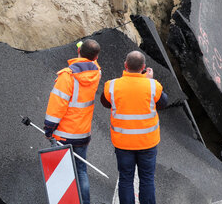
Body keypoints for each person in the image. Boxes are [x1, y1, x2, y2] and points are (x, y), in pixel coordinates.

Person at [100, 51, 169, 204]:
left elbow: (105, 103)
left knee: (126, 178)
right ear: (143, 67)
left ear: (125, 65)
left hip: (123, 142)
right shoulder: (153, 85)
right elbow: (163, 103)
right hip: (147, 142)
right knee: (147, 179)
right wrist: (149, 80)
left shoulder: (112, 86)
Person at [43, 39, 102, 204]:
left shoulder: (67, 76)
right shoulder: (96, 73)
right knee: (81, 171)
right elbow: (92, 60)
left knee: (61, 174)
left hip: (63, 135)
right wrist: (84, 51)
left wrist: (49, 130)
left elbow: (56, 107)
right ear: (96, 56)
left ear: (79, 52)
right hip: (82, 134)